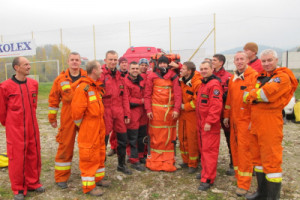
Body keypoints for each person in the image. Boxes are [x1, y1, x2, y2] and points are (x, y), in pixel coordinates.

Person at [244, 49, 298, 200]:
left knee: (271, 161)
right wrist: (253, 96)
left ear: (276, 60)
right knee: (258, 159)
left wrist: (252, 96)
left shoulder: (282, 77)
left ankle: (272, 197)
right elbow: (254, 96)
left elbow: (264, 95)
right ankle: (261, 193)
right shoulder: (262, 77)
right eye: (264, 61)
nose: (267, 63)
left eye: (269, 60)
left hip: (270, 121)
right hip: (256, 120)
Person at [0, 57, 45, 200]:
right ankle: (18, 188)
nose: (29, 67)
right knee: (16, 158)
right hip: (15, 128)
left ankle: (33, 183)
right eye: (25, 64)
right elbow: (2, 111)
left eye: (29, 64)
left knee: (34, 154)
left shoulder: (33, 84)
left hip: (32, 126)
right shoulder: (5, 87)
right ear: (16, 67)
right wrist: (12, 125)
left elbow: (34, 105)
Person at [48, 52, 87, 189]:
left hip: (84, 115)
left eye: (77, 60)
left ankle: (87, 174)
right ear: (68, 62)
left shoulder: (87, 77)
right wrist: (52, 118)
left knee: (87, 146)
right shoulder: (60, 79)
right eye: (72, 60)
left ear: (80, 62)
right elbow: (53, 99)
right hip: (67, 115)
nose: (75, 62)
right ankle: (61, 177)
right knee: (65, 145)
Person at [71, 60, 110, 196]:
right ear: (93, 70)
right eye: (100, 68)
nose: (102, 70)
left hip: (98, 124)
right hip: (89, 126)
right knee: (89, 155)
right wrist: (84, 126)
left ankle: (98, 179)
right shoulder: (84, 88)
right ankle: (88, 186)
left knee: (99, 152)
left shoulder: (94, 87)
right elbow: (76, 113)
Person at [223, 51, 258, 196]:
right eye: (237, 59)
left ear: (247, 60)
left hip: (246, 121)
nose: (239, 61)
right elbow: (229, 99)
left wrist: (253, 121)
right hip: (234, 121)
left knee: (245, 153)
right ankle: (239, 177)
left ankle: (244, 184)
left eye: (242, 59)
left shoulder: (254, 77)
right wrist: (226, 115)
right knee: (235, 150)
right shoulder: (233, 78)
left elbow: (256, 103)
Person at [144, 55, 182, 172]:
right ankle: (155, 159)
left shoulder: (174, 76)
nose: (163, 65)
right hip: (155, 113)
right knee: (156, 134)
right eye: (161, 63)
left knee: (168, 135)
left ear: (168, 64)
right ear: (157, 64)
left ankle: (168, 159)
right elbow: (147, 95)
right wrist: (148, 110)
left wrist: (176, 110)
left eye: (165, 63)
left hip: (170, 113)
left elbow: (177, 94)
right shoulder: (151, 76)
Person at [100, 50, 131, 175]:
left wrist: (127, 114)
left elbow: (125, 97)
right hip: (105, 111)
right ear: (105, 60)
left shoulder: (119, 76)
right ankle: (100, 167)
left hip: (118, 111)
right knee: (103, 141)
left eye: (115, 60)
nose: (113, 62)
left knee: (123, 139)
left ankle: (121, 165)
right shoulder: (101, 75)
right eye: (110, 59)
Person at [196, 61, 223, 191]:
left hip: (209, 124)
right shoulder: (204, 83)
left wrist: (209, 122)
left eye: (206, 68)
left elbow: (216, 105)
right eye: (201, 69)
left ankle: (208, 178)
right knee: (203, 150)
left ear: (212, 69)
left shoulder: (214, 85)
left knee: (209, 151)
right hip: (201, 122)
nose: (203, 71)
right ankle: (205, 172)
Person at [212, 54, 234, 175]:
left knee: (230, 138)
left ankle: (233, 163)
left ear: (221, 63)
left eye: (214, 60)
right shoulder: (209, 75)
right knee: (210, 139)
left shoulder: (229, 77)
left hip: (224, 111)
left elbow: (231, 97)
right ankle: (209, 163)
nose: (212, 62)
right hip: (212, 112)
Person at [178, 61, 201, 174]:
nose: (181, 70)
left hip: (192, 115)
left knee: (192, 140)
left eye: (183, 68)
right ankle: (186, 160)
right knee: (182, 137)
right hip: (182, 115)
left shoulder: (197, 83)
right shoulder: (182, 81)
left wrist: (184, 106)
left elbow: (196, 102)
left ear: (189, 71)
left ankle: (193, 164)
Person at [125, 61, 147, 171]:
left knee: (142, 136)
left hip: (142, 113)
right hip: (133, 112)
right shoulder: (126, 82)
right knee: (132, 137)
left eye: (136, 68)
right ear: (129, 69)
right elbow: (127, 99)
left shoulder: (142, 80)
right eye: (133, 68)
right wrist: (141, 101)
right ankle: (133, 159)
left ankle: (141, 155)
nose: (135, 70)